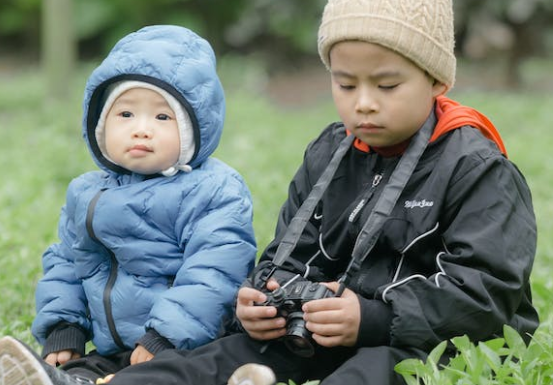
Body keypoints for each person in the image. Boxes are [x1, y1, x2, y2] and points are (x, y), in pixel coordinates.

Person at [0, 0, 539, 384]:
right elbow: (289, 253)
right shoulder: (330, 152)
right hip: (319, 331)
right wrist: (262, 299)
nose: (363, 104)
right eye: (346, 84)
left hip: (417, 340)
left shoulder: (477, 167)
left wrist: (371, 319)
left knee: (373, 370)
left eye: (387, 85)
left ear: (437, 80)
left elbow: (486, 292)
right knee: (224, 351)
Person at [0, 25, 257, 384]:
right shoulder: (87, 192)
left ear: (195, 128)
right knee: (82, 373)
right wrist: (64, 325)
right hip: (113, 350)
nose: (141, 129)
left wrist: (165, 336)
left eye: (162, 117)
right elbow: (69, 263)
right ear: (100, 124)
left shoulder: (213, 189)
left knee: (177, 375)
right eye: (125, 115)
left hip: (187, 346)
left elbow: (215, 272)